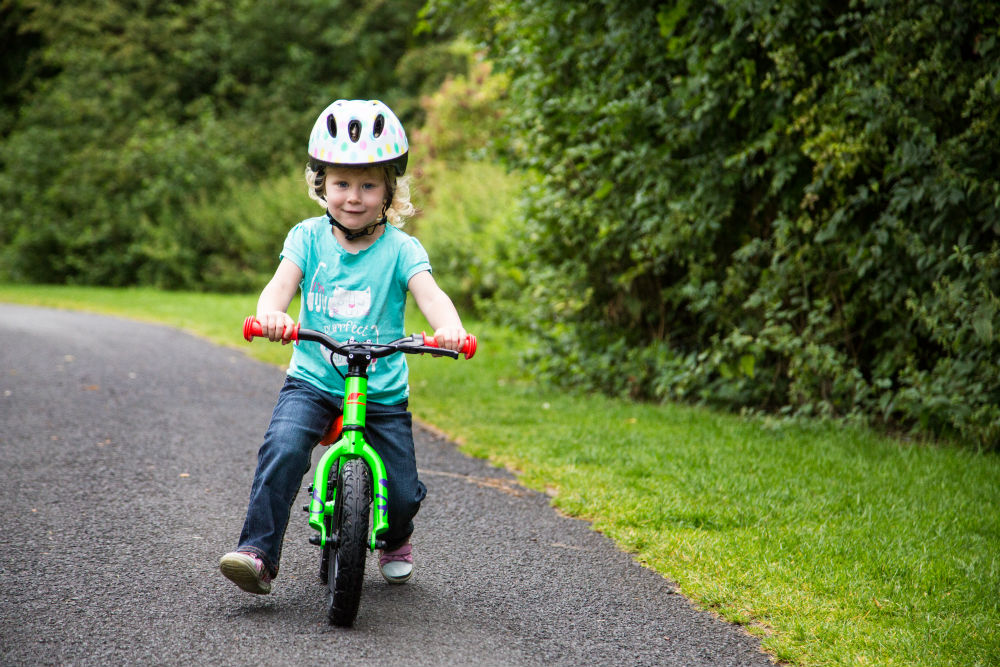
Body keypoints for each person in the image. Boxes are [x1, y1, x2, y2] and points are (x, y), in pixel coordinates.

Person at [220, 99, 466, 595]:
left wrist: (450, 329)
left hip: (382, 388)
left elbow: (430, 294)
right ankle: (258, 552)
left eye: (368, 184)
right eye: (341, 183)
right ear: (321, 185)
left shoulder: (401, 248)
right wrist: (273, 313)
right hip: (313, 379)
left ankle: (397, 538)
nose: (354, 197)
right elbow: (279, 285)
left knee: (399, 493)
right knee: (283, 449)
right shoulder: (308, 238)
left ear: (389, 190)